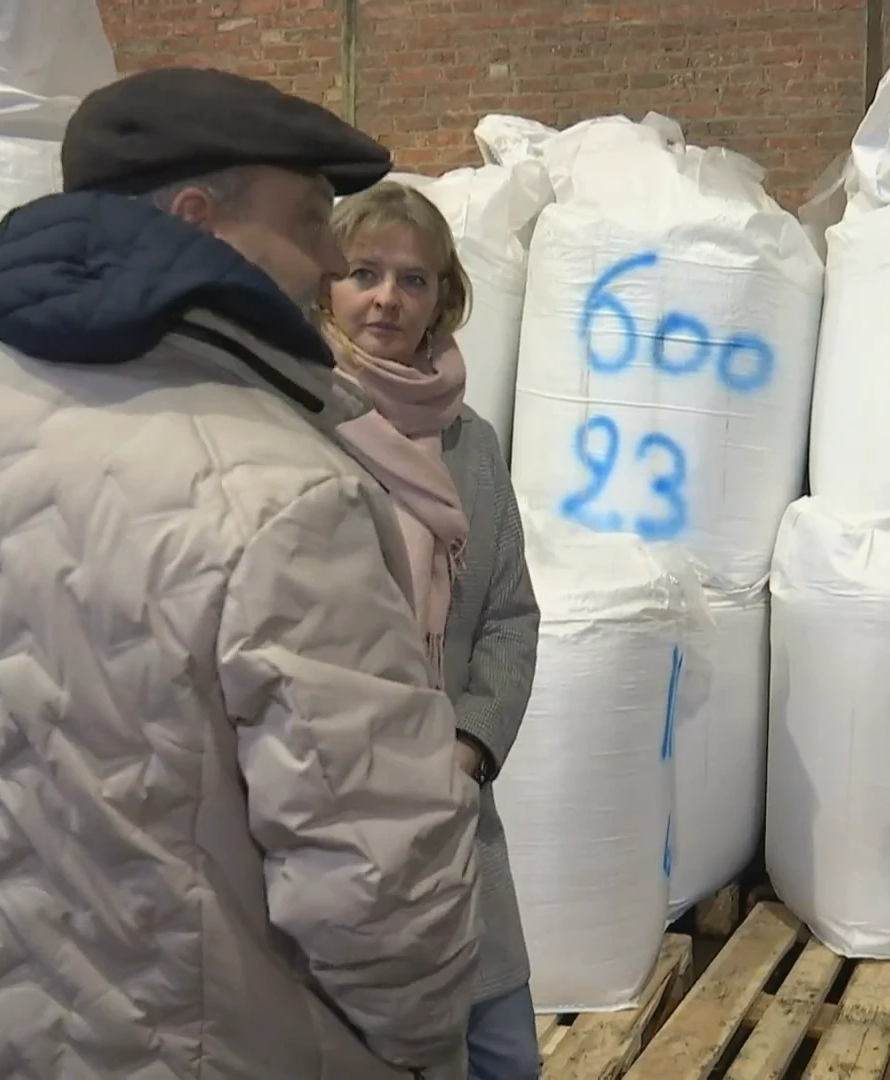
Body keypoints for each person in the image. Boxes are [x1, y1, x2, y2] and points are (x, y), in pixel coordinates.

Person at [0, 67, 481, 1080]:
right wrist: (425, 1052)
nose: (332, 255)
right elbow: (379, 884)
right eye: (310, 219)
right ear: (200, 219)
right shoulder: (281, 494)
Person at [317, 180, 543, 1080]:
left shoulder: (470, 444)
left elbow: (512, 617)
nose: (386, 299)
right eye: (363, 273)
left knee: (502, 1057)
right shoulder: (297, 424)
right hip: (332, 806)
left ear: (442, 298)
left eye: (414, 281)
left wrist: (469, 744)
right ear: (324, 288)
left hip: (453, 802)